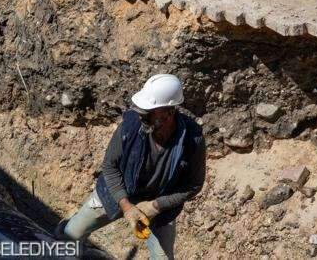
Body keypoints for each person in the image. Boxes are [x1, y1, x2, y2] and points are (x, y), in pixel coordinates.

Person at [58, 74, 206, 260]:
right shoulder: (131, 125)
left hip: (158, 206)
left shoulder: (192, 140)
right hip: (117, 193)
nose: (142, 115)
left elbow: (193, 185)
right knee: (70, 235)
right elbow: (110, 167)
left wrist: (156, 206)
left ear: (170, 111)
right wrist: (126, 206)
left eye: (149, 111)